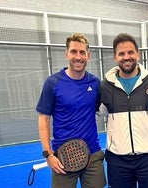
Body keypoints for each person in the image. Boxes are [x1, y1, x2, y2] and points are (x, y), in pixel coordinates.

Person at [36, 33, 106, 188]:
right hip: (63, 158)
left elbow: (99, 110)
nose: (78, 57)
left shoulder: (95, 83)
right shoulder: (52, 83)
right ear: (66, 53)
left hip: (92, 155)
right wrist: (48, 153)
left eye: (82, 52)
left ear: (88, 55)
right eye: (74, 51)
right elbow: (43, 119)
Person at [99, 33, 148, 188]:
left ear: (138, 54)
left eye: (130, 52)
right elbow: (92, 115)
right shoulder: (105, 87)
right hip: (118, 161)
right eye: (121, 53)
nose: (126, 57)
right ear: (115, 57)